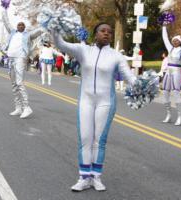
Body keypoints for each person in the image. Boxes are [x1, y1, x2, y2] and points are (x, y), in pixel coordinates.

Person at [51, 22, 137, 192]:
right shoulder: (84, 50)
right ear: (95, 34)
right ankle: (84, 177)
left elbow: (129, 76)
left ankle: (96, 177)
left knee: (99, 141)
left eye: (109, 32)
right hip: (86, 101)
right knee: (85, 139)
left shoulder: (116, 56)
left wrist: (142, 86)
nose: (106, 34)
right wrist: (54, 28)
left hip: (106, 102)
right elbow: (61, 44)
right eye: (102, 31)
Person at [2, 9, 43, 119]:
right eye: (19, 25)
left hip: (20, 59)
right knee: (14, 84)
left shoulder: (28, 35)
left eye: (22, 25)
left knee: (19, 82)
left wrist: (46, 24)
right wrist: (4, 9)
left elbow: (39, 31)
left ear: (24, 28)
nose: (20, 26)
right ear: (16, 27)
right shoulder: (12, 32)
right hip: (11, 59)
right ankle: (18, 108)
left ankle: (26, 107)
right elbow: (6, 21)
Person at [161, 25, 181, 126]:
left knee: (176, 92)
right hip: (168, 72)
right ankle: (168, 114)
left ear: (180, 42)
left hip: (177, 72)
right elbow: (164, 37)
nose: (174, 42)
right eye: (173, 40)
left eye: (177, 40)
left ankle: (180, 117)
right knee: (165, 92)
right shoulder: (170, 49)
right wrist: (164, 26)